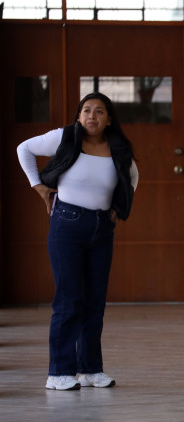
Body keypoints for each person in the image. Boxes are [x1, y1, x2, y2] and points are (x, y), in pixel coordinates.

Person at [17, 92, 138, 391]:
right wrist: (39, 188)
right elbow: (24, 149)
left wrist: (117, 209)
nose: (92, 116)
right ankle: (59, 372)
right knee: (69, 300)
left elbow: (133, 176)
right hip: (67, 225)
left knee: (94, 301)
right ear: (78, 116)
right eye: (86, 111)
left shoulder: (118, 147)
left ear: (109, 119)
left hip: (101, 228)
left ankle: (90, 369)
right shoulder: (64, 137)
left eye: (99, 111)